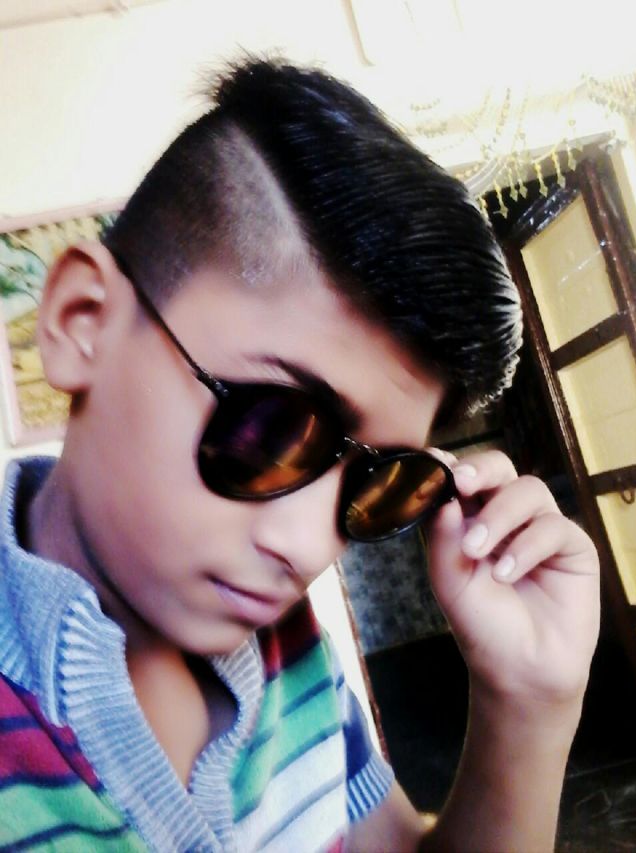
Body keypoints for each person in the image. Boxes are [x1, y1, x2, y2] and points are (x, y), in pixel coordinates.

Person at [0, 57, 600, 852]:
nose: (309, 546)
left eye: (382, 481)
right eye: (270, 429)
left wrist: (527, 705)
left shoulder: (285, 643)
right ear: (83, 322)